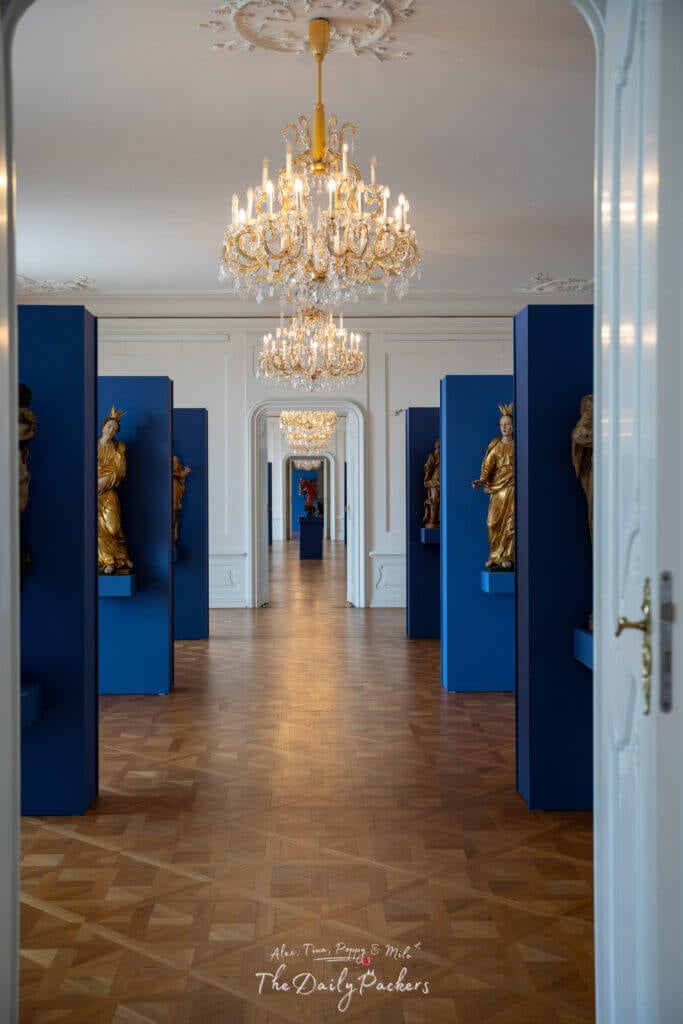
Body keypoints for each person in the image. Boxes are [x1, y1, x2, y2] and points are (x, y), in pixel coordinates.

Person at [472, 404, 514, 569]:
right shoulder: (495, 445)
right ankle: (494, 554)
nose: (505, 427)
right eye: (502, 424)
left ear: (513, 426)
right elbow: (488, 467)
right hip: (498, 489)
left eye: (508, 424)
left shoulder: (518, 445)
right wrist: (481, 480)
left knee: (511, 523)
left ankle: (507, 556)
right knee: (492, 522)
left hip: (513, 488)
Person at [97, 407, 134, 575]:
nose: (111, 430)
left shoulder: (119, 447)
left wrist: (105, 481)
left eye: (115, 429)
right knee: (97, 527)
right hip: (93, 493)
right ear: (103, 426)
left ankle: (120, 555)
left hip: (108, 491)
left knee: (113, 526)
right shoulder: (92, 445)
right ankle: (108, 561)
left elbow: (120, 471)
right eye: (109, 426)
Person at [172, 455, 191, 543]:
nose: (176, 465)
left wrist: (184, 473)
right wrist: (185, 472)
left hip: (174, 491)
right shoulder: (170, 459)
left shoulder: (174, 458)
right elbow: (178, 474)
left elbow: (178, 475)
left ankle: (174, 533)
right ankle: (173, 533)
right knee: (172, 516)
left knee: (174, 515)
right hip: (170, 492)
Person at [422, 439, 440, 528]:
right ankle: (432, 520)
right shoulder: (433, 456)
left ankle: (439, 519)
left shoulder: (445, 456)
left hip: (442, 481)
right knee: (434, 499)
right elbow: (428, 467)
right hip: (434, 481)